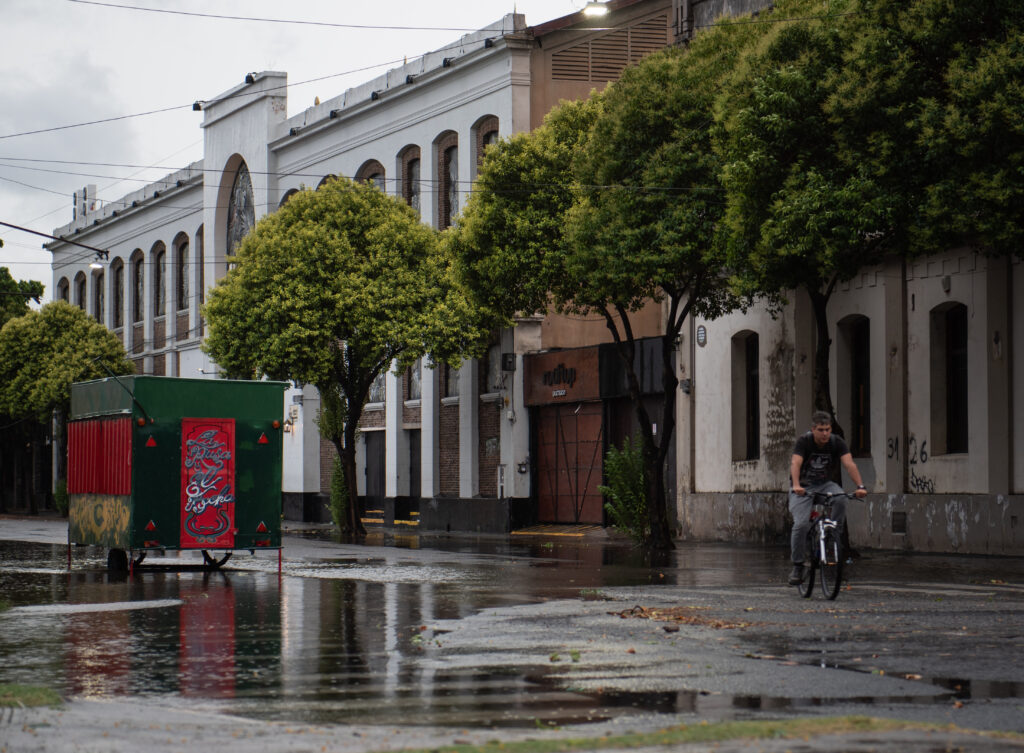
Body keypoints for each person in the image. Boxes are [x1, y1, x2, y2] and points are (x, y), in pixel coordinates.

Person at [788, 410, 868, 585]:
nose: (825, 433)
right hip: (803, 487)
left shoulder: (836, 442)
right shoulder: (804, 441)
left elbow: (849, 464)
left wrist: (860, 486)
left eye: (828, 429)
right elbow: (795, 463)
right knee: (800, 525)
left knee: (840, 497)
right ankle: (798, 565)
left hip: (824, 485)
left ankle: (834, 536)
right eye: (821, 430)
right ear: (813, 429)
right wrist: (796, 485)